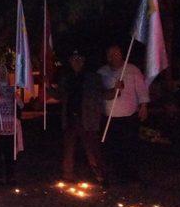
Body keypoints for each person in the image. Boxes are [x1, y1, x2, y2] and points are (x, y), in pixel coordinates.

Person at [52, 51, 106, 185]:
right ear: (70, 61)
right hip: (70, 118)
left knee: (92, 149)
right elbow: (60, 95)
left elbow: (102, 94)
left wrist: (115, 90)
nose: (76, 62)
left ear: (83, 61)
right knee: (68, 149)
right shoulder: (66, 78)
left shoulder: (93, 78)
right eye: (74, 59)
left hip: (87, 119)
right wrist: (47, 88)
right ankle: (67, 175)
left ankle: (100, 175)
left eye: (79, 59)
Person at [98, 44, 150, 184]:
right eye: (110, 54)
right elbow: (99, 92)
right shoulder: (102, 72)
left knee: (129, 147)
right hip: (109, 117)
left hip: (128, 116)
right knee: (111, 147)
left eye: (115, 53)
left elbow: (141, 90)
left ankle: (131, 174)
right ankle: (112, 174)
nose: (112, 57)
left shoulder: (132, 70)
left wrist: (143, 106)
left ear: (121, 55)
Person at [0, 65, 23, 186]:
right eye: (0, 72)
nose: (2, 75)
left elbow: (20, 106)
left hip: (10, 128)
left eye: (4, 72)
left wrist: (18, 99)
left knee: (11, 154)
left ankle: (11, 176)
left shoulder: (11, 89)